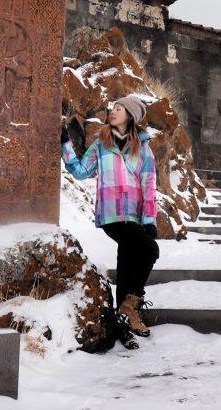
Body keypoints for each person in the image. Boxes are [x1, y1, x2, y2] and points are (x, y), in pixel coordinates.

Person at [61, 94, 159, 350]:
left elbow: (149, 184)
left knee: (127, 258)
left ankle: (122, 324)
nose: (112, 111)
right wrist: (65, 144)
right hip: (111, 213)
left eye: (118, 108)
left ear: (130, 115)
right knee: (150, 249)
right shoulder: (101, 143)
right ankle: (130, 306)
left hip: (135, 215)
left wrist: (149, 219)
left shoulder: (143, 147)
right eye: (112, 108)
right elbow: (80, 171)